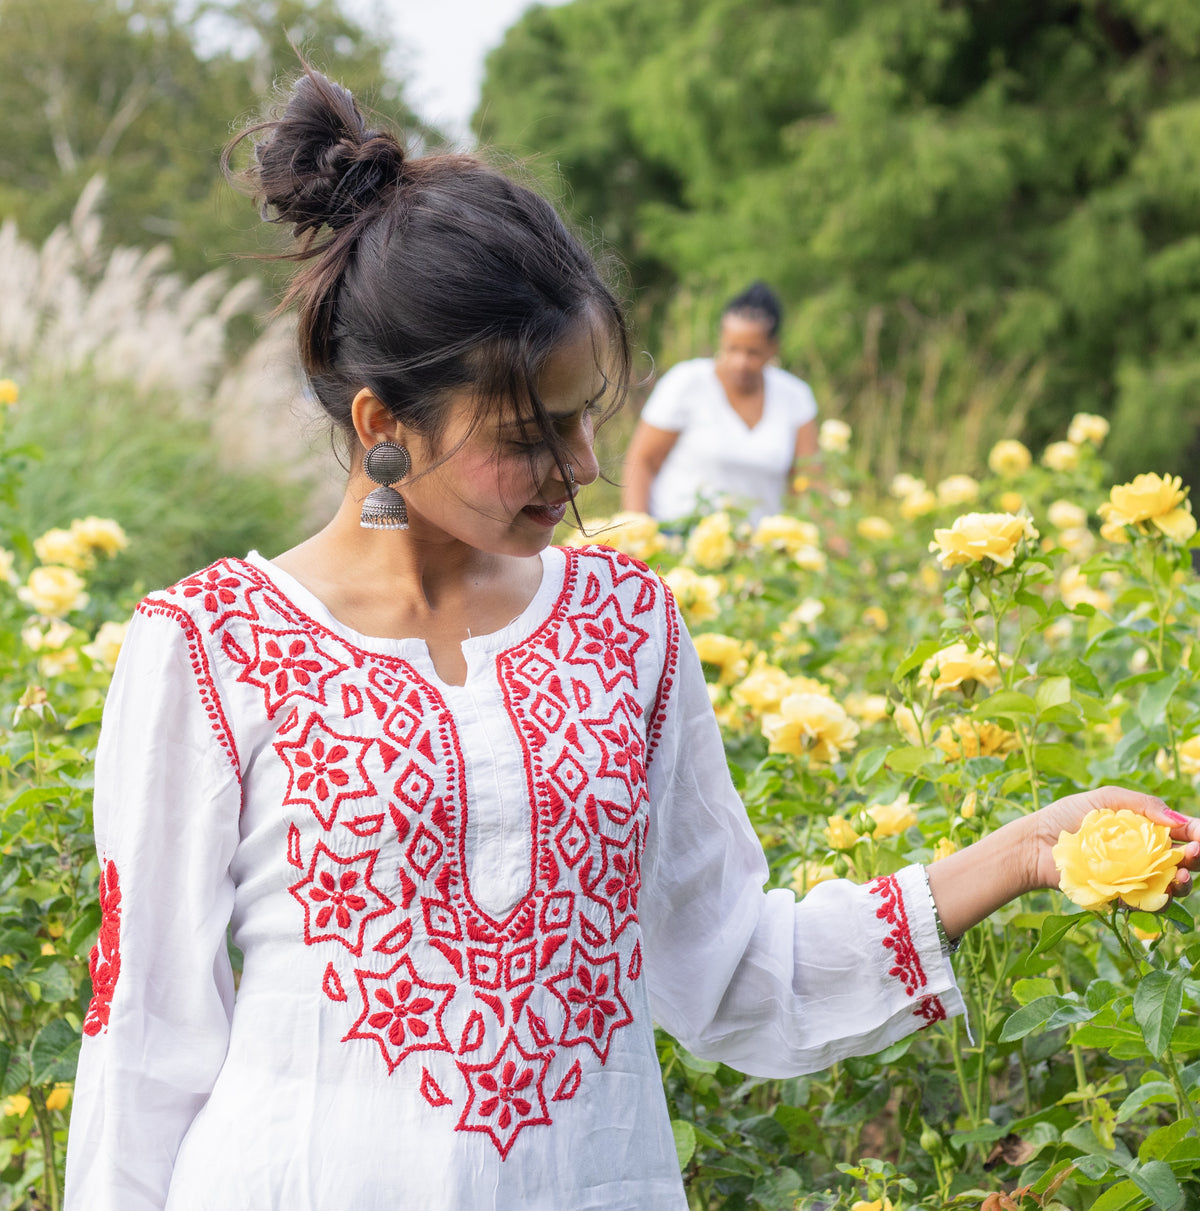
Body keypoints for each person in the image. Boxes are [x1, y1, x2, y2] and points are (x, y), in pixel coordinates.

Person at [63, 68, 1199, 1211]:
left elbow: (737, 969)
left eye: (586, 415)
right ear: (384, 425)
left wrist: (1022, 850)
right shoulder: (211, 650)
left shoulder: (623, 627)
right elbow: (144, 1047)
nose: (586, 465)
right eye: (532, 432)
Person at [621, 282, 819, 524]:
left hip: (756, 552)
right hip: (675, 538)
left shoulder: (795, 397)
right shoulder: (686, 382)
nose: (740, 362)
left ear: (773, 348)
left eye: (752, 353)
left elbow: (811, 483)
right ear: (721, 339)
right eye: (732, 348)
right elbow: (642, 461)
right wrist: (638, 532)